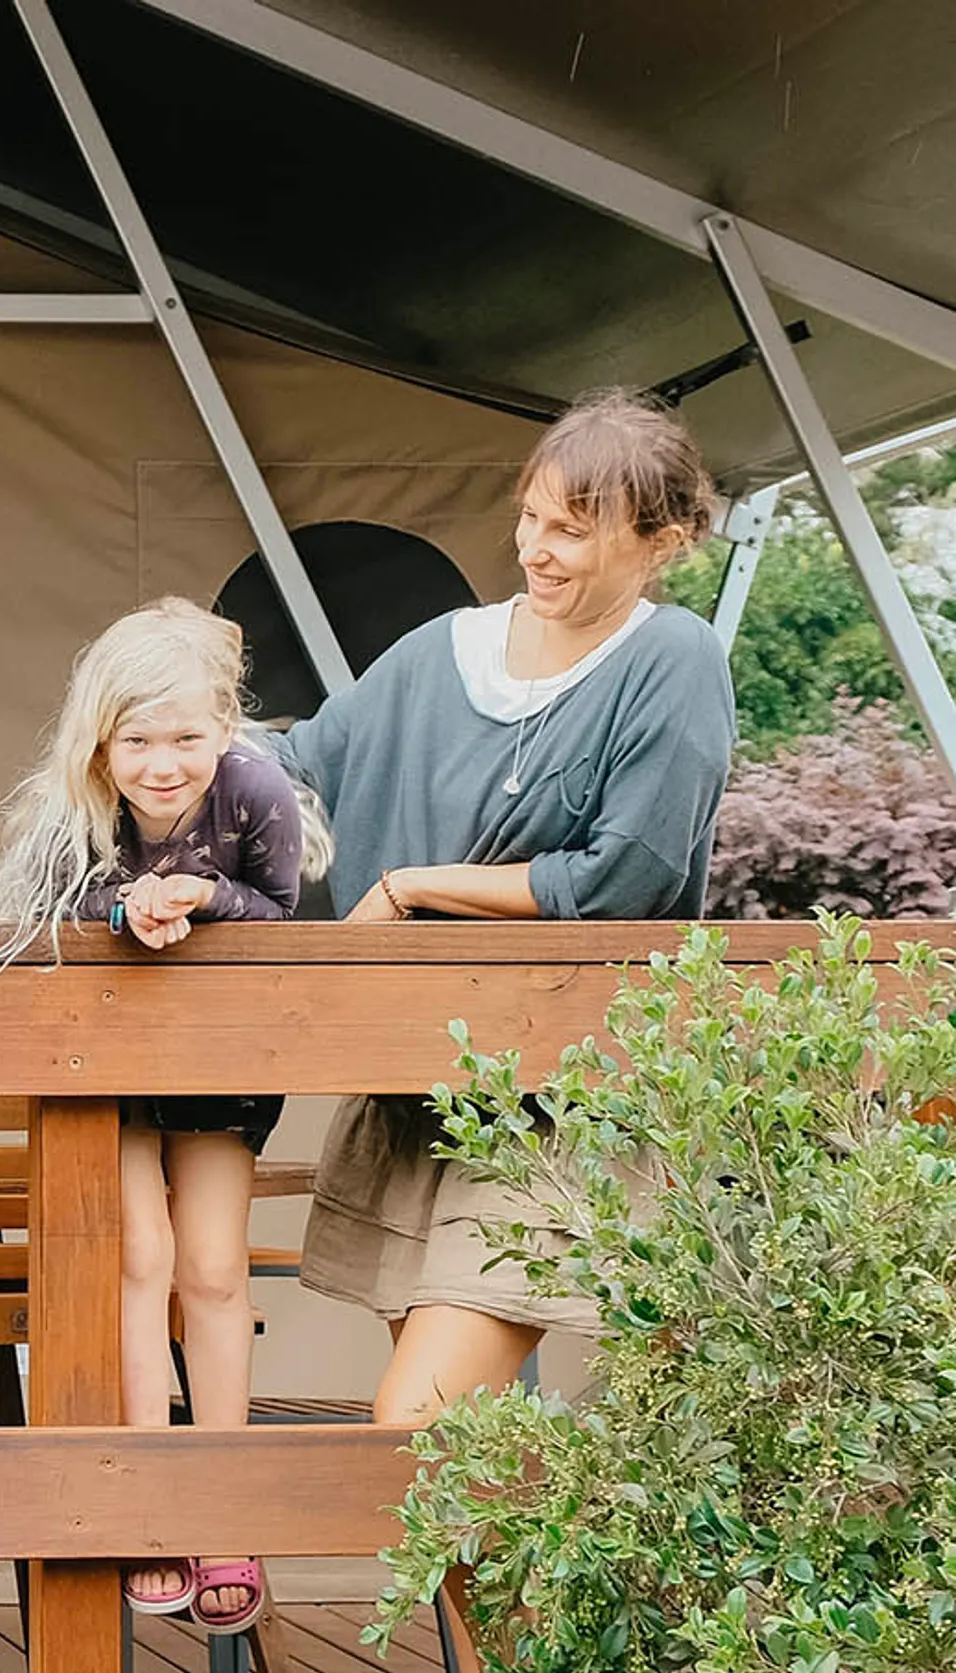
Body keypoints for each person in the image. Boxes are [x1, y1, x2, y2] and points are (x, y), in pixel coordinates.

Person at [268, 387, 736, 1431]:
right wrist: (166, 751)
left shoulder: (674, 660)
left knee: (416, 1428)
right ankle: (512, 1610)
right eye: (531, 516)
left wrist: (414, 883)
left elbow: (626, 878)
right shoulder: (445, 648)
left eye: (574, 529)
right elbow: (294, 769)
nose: (538, 547)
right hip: (418, 1095)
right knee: (469, 1469)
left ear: (660, 542)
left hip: (561, 1104)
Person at [0, 597, 314, 1634]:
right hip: (110, 1065)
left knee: (212, 1266)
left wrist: (205, 899)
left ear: (225, 728)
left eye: (186, 738)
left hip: (220, 1061)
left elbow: (285, 915)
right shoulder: (71, 807)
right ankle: (147, 1491)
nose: (163, 763)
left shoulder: (257, 792)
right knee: (140, 1256)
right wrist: (121, 909)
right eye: (138, 739)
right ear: (100, 737)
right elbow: (29, 918)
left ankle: (220, 1499)